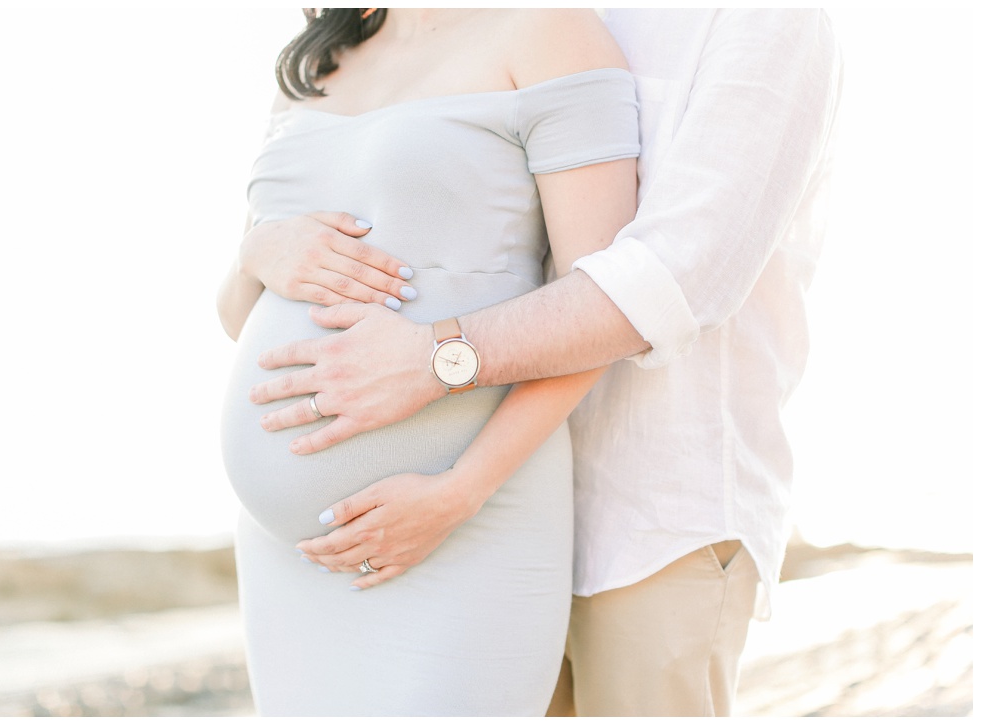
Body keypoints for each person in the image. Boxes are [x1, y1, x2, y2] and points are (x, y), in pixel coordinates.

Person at [249, 8, 843, 717]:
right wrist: (262, 249)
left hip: (654, 513)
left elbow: (668, 281)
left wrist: (435, 364)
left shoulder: (768, 24)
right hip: (475, 491)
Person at [217, 8, 639, 717]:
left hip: (462, 521)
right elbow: (243, 319)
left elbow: (605, 309)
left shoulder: (549, 32)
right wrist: (256, 254)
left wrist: (461, 491)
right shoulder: (317, 62)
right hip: (286, 560)